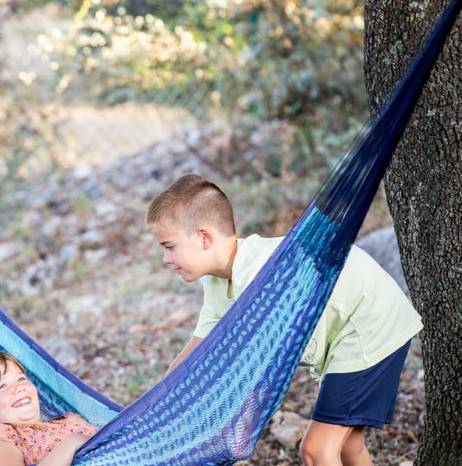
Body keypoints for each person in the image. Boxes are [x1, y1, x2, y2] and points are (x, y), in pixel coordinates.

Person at [145, 173, 423, 466]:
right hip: (353, 330)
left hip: (368, 325)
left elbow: (258, 368)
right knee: (347, 448)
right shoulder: (217, 284)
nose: (165, 258)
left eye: (169, 246)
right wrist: (149, 412)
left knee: (316, 451)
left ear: (204, 237)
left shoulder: (264, 273)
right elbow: (194, 356)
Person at [0, 351, 97, 466]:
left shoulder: (70, 418)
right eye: (2, 386)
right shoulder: (4, 435)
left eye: (21, 379)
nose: (18, 387)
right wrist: (70, 443)